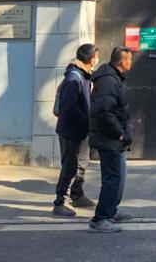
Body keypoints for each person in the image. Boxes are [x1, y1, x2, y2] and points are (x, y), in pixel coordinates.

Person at [88, 46, 134, 233]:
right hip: (109, 138)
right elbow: (104, 112)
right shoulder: (108, 80)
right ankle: (101, 218)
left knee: (118, 178)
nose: (131, 62)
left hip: (114, 138)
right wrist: (119, 133)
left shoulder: (114, 78)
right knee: (112, 179)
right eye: (129, 59)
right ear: (122, 61)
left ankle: (111, 210)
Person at [52, 43, 98, 217]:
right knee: (69, 166)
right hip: (70, 131)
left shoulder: (85, 75)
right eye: (96, 56)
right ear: (91, 59)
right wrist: (87, 120)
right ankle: (59, 202)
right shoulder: (74, 78)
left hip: (82, 130)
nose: (97, 60)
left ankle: (77, 194)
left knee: (82, 163)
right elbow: (69, 108)